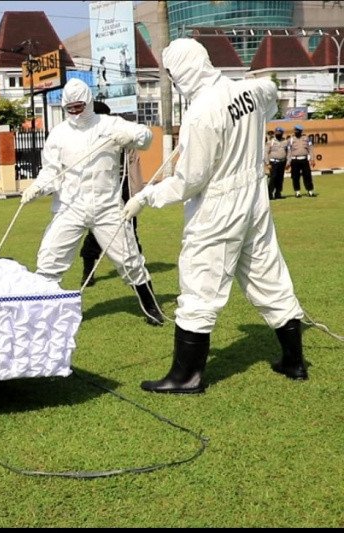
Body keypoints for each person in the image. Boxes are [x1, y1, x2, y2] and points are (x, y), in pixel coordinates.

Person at [123, 38, 307, 394]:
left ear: (184, 71)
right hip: (254, 198)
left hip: (219, 207)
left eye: (174, 75)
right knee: (267, 273)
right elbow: (270, 92)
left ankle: (186, 376)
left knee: (200, 283)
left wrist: (146, 196)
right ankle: (294, 360)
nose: (175, 82)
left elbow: (190, 181)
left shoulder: (201, 113)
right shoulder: (249, 90)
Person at [20, 78, 165, 327]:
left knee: (129, 259)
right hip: (70, 206)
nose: (76, 112)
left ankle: (151, 305)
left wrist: (129, 136)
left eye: (79, 106)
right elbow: (51, 172)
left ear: (88, 102)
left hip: (108, 206)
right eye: (71, 108)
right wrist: (37, 188)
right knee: (49, 259)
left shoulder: (109, 124)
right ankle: (41, 312)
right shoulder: (58, 134)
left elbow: (146, 137)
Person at [79, 101, 145, 287]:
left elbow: (134, 162)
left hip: (123, 189)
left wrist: (136, 195)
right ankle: (88, 272)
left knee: (130, 228)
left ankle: (137, 270)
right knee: (95, 233)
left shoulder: (122, 133)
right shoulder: (87, 140)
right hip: (100, 193)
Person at [287, 124, 316, 197]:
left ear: (301, 131)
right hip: (295, 160)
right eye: (295, 130)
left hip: (304, 160)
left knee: (307, 176)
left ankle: (310, 191)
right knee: (295, 176)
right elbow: (289, 152)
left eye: (298, 131)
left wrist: (312, 159)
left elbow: (311, 149)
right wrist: (288, 162)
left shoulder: (307, 138)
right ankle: (297, 192)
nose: (296, 132)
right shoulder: (291, 139)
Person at [265, 126, 288, 200]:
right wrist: (267, 163)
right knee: (273, 178)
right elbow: (266, 153)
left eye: (280, 133)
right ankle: (269, 194)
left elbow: (288, 152)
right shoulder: (270, 142)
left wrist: (288, 162)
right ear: (275, 133)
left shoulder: (285, 141)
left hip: (282, 162)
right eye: (277, 132)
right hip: (273, 163)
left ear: (282, 133)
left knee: (280, 178)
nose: (278, 134)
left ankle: (278, 193)